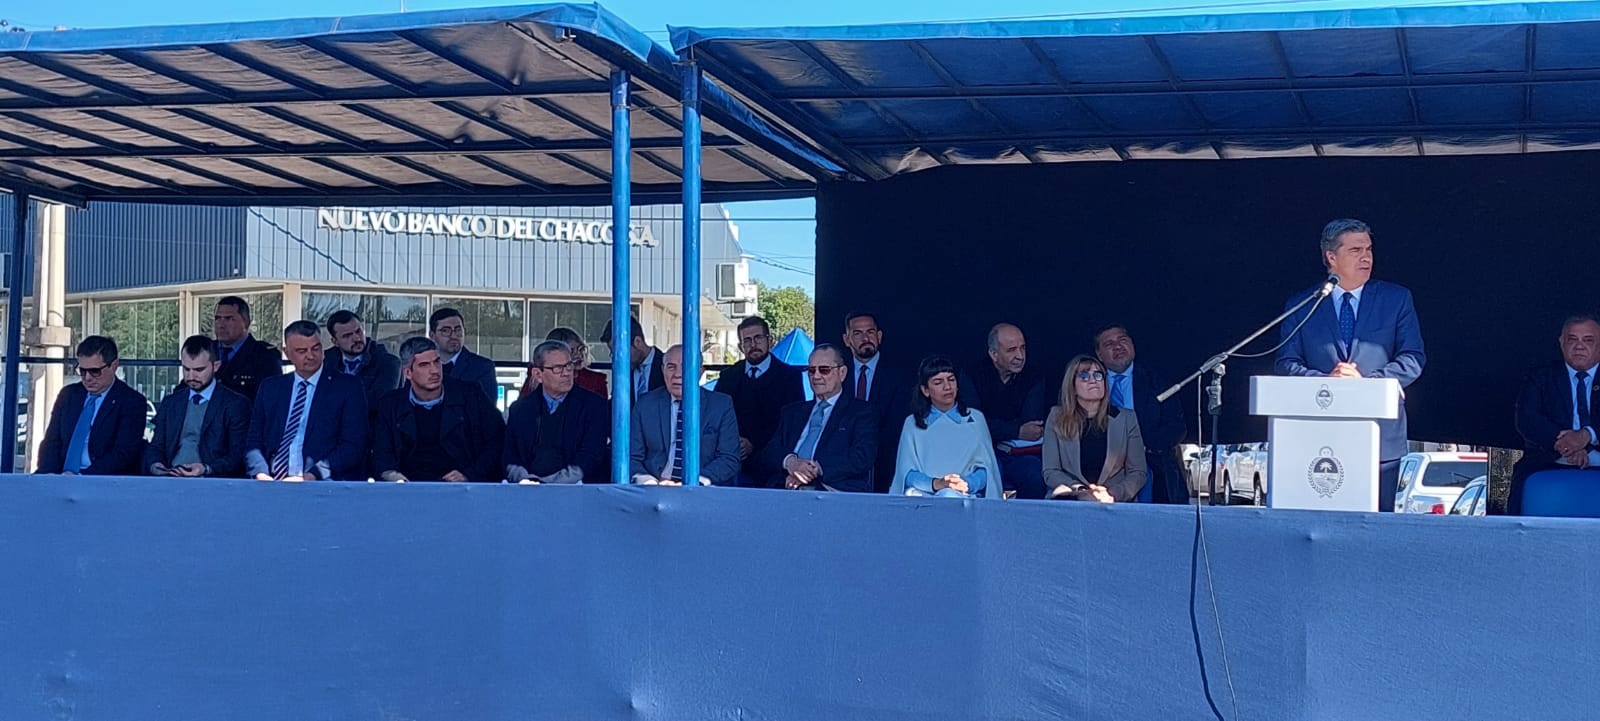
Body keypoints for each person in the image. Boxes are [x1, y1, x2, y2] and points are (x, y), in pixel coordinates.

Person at [1276, 219, 1425, 511]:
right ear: (1331, 257)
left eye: (1369, 249)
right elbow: (1286, 363)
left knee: (1376, 523)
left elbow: (1412, 358)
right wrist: (1327, 381)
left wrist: (1365, 385)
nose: (1366, 257)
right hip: (1318, 437)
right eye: (1356, 250)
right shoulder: (1303, 304)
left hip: (1381, 438)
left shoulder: (1396, 299)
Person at [244, 321, 368, 481]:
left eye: (316, 348)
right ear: (287, 353)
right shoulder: (271, 388)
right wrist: (260, 473)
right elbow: (254, 440)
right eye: (302, 351)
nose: (311, 356)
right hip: (272, 482)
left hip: (322, 483)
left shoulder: (347, 387)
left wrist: (312, 476)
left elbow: (353, 445)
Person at [371, 337, 506, 483]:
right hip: (407, 487)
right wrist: (392, 475)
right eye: (424, 365)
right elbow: (381, 453)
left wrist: (469, 474)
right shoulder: (390, 405)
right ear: (408, 373)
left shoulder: (471, 395)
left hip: (462, 487)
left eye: (437, 362)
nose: (434, 370)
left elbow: (497, 442)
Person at [1510, 313, 1600, 514]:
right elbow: (1527, 420)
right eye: (1572, 339)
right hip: (1549, 457)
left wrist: (1587, 436)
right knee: (1521, 482)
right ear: (1561, 342)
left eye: (1588, 340)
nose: (1579, 346)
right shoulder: (1541, 377)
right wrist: (1568, 446)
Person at [760, 344, 879, 492]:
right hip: (786, 489)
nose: (816, 376)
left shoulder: (861, 412)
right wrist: (791, 463)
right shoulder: (792, 412)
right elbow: (770, 452)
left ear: (842, 373)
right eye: (811, 370)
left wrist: (814, 470)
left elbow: (862, 456)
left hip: (835, 492)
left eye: (824, 370)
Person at [1094, 324, 1189, 504]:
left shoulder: (1157, 380)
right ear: (1099, 354)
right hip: (1101, 460)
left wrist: (1140, 447)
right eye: (1109, 344)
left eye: (1122, 340)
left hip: (1151, 457)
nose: (1118, 346)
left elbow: (1176, 427)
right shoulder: (1088, 382)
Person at [889, 355, 1001, 499]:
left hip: (966, 497)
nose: (947, 387)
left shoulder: (975, 419)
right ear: (925, 390)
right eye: (938, 382)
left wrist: (967, 484)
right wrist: (936, 484)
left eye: (951, 380)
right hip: (924, 496)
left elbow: (987, 469)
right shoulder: (913, 423)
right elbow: (906, 473)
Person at [35, 335, 149, 475]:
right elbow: (51, 442)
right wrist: (49, 476)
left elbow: (123, 453)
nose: (88, 378)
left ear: (114, 366)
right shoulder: (69, 395)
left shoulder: (131, 402)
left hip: (101, 479)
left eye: (95, 371)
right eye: (82, 371)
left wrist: (83, 477)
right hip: (60, 476)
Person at [958, 322, 1048, 499]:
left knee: (1034, 474)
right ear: (994, 354)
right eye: (1011, 350)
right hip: (982, 452)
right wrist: (1015, 430)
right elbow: (973, 425)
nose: (1020, 356)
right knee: (986, 475)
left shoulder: (1034, 376)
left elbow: (1032, 426)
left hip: (1021, 455)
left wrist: (994, 427)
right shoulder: (972, 375)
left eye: (1023, 348)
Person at [628, 344, 740, 486]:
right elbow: (631, 456)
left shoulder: (721, 405)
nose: (678, 374)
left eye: (685, 366)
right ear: (662, 370)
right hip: (655, 488)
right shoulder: (645, 404)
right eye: (671, 367)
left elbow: (729, 458)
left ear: (700, 372)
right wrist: (648, 481)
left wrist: (695, 482)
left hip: (701, 490)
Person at [1042, 355, 1148, 503]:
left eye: (1098, 375)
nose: (1093, 380)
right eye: (1084, 376)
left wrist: (1111, 495)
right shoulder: (1056, 417)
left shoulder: (1126, 419)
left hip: (1115, 502)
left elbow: (1138, 472)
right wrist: (1081, 491)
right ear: (1072, 386)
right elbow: (1051, 471)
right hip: (1071, 500)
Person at [143, 335, 252, 478]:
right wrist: (155, 465)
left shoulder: (235, 404)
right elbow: (155, 447)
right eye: (186, 369)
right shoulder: (171, 403)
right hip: (171, 479)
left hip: (212, 483)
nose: (191, 376)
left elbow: (237, 456)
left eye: (199, 370)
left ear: (216, 366)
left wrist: (206, 469)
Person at [713, 316, 805, 485]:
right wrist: (734, 441)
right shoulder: (728, 377)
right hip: (733, 460)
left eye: (758, 338)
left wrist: (754, 443)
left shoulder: (790, 377)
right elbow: (716, 415)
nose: (753, 344)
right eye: (747, 340)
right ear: (740, 347)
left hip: (773, 465)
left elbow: (793, 423)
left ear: (770, 340)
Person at [504, 339, 609, 484]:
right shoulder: (520, 409)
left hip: (578, 490)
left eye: (569, 366)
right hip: (528, 489)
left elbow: (591, 456)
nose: (566, 373)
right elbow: (510, 457)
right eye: (558, 368)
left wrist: (549, 483)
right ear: (538, 374)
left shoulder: (594, 406)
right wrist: (524, 479)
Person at [839, 312, 912, 492]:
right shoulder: (836, 374)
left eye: (870, 332)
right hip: (842, 465)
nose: (866, 338)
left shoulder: (900, 375)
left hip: (887, 465)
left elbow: (898, 424)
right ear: (847, 339)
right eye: (858, 333)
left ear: (879, 336)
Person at [325, 310, 401, 411]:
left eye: (358, 331)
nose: (356, 338)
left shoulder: (388, 362)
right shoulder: (325, 362)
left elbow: (381, 402)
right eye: (347, 336)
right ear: (335, 342)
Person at [211, 295, 283, 401]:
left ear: (246, 322)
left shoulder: (264, 356)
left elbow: (271, 399)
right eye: (217, 319)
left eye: (229, 319)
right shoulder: (206, 350)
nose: (221, 325)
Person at [428, 307, 498, 402]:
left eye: (458, 330)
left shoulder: (482, 367)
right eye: (446, 331)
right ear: (432, 335)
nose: (453, 336)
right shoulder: (420, 365)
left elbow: (488, 407)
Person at [519, 327, 607, 398]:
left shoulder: (596, 380)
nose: (578, 355)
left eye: (581, 349)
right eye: (571, 351)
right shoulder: (537, 377)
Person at [601, 316, 665, 401]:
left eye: (620, 353)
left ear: (637, 342)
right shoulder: (623, 371)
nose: (617, 359)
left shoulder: (667, 366)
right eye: (613, 354)